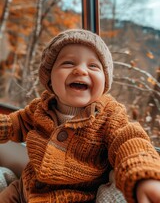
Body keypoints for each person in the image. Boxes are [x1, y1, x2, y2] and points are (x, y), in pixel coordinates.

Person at [0, 29, 160, 203]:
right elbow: (14, 124)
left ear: (105, 82)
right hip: (25, 189)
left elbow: (130, 141)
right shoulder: (40, 108)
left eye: (93, 66)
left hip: (75, 198)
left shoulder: (109, 115)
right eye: (68, 63)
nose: (81, 70)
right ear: (50, 78)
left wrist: (143, 174)